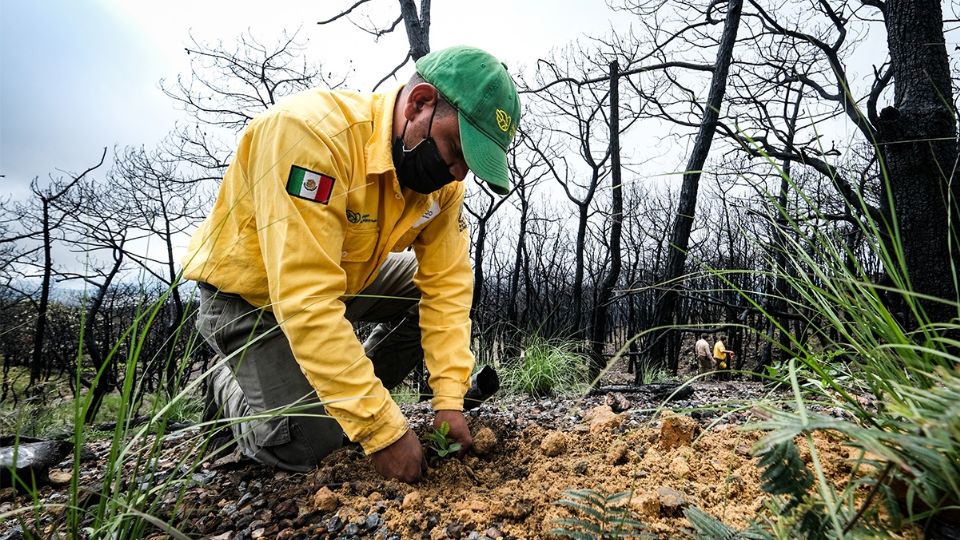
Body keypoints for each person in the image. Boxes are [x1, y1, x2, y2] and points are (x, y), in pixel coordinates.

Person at [182, 45, 521, 483]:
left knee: (347, 419)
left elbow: (447, 288)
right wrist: (382, 430)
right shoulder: (310, 137)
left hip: (341, 280)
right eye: (455, 148)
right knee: (309, 446)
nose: (458, 174)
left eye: (470, 165)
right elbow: (305, 298)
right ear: (419, 103)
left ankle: (335, 404)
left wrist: (449, 401)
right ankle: (227, 382)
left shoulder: (442, 189)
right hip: (249, 299)